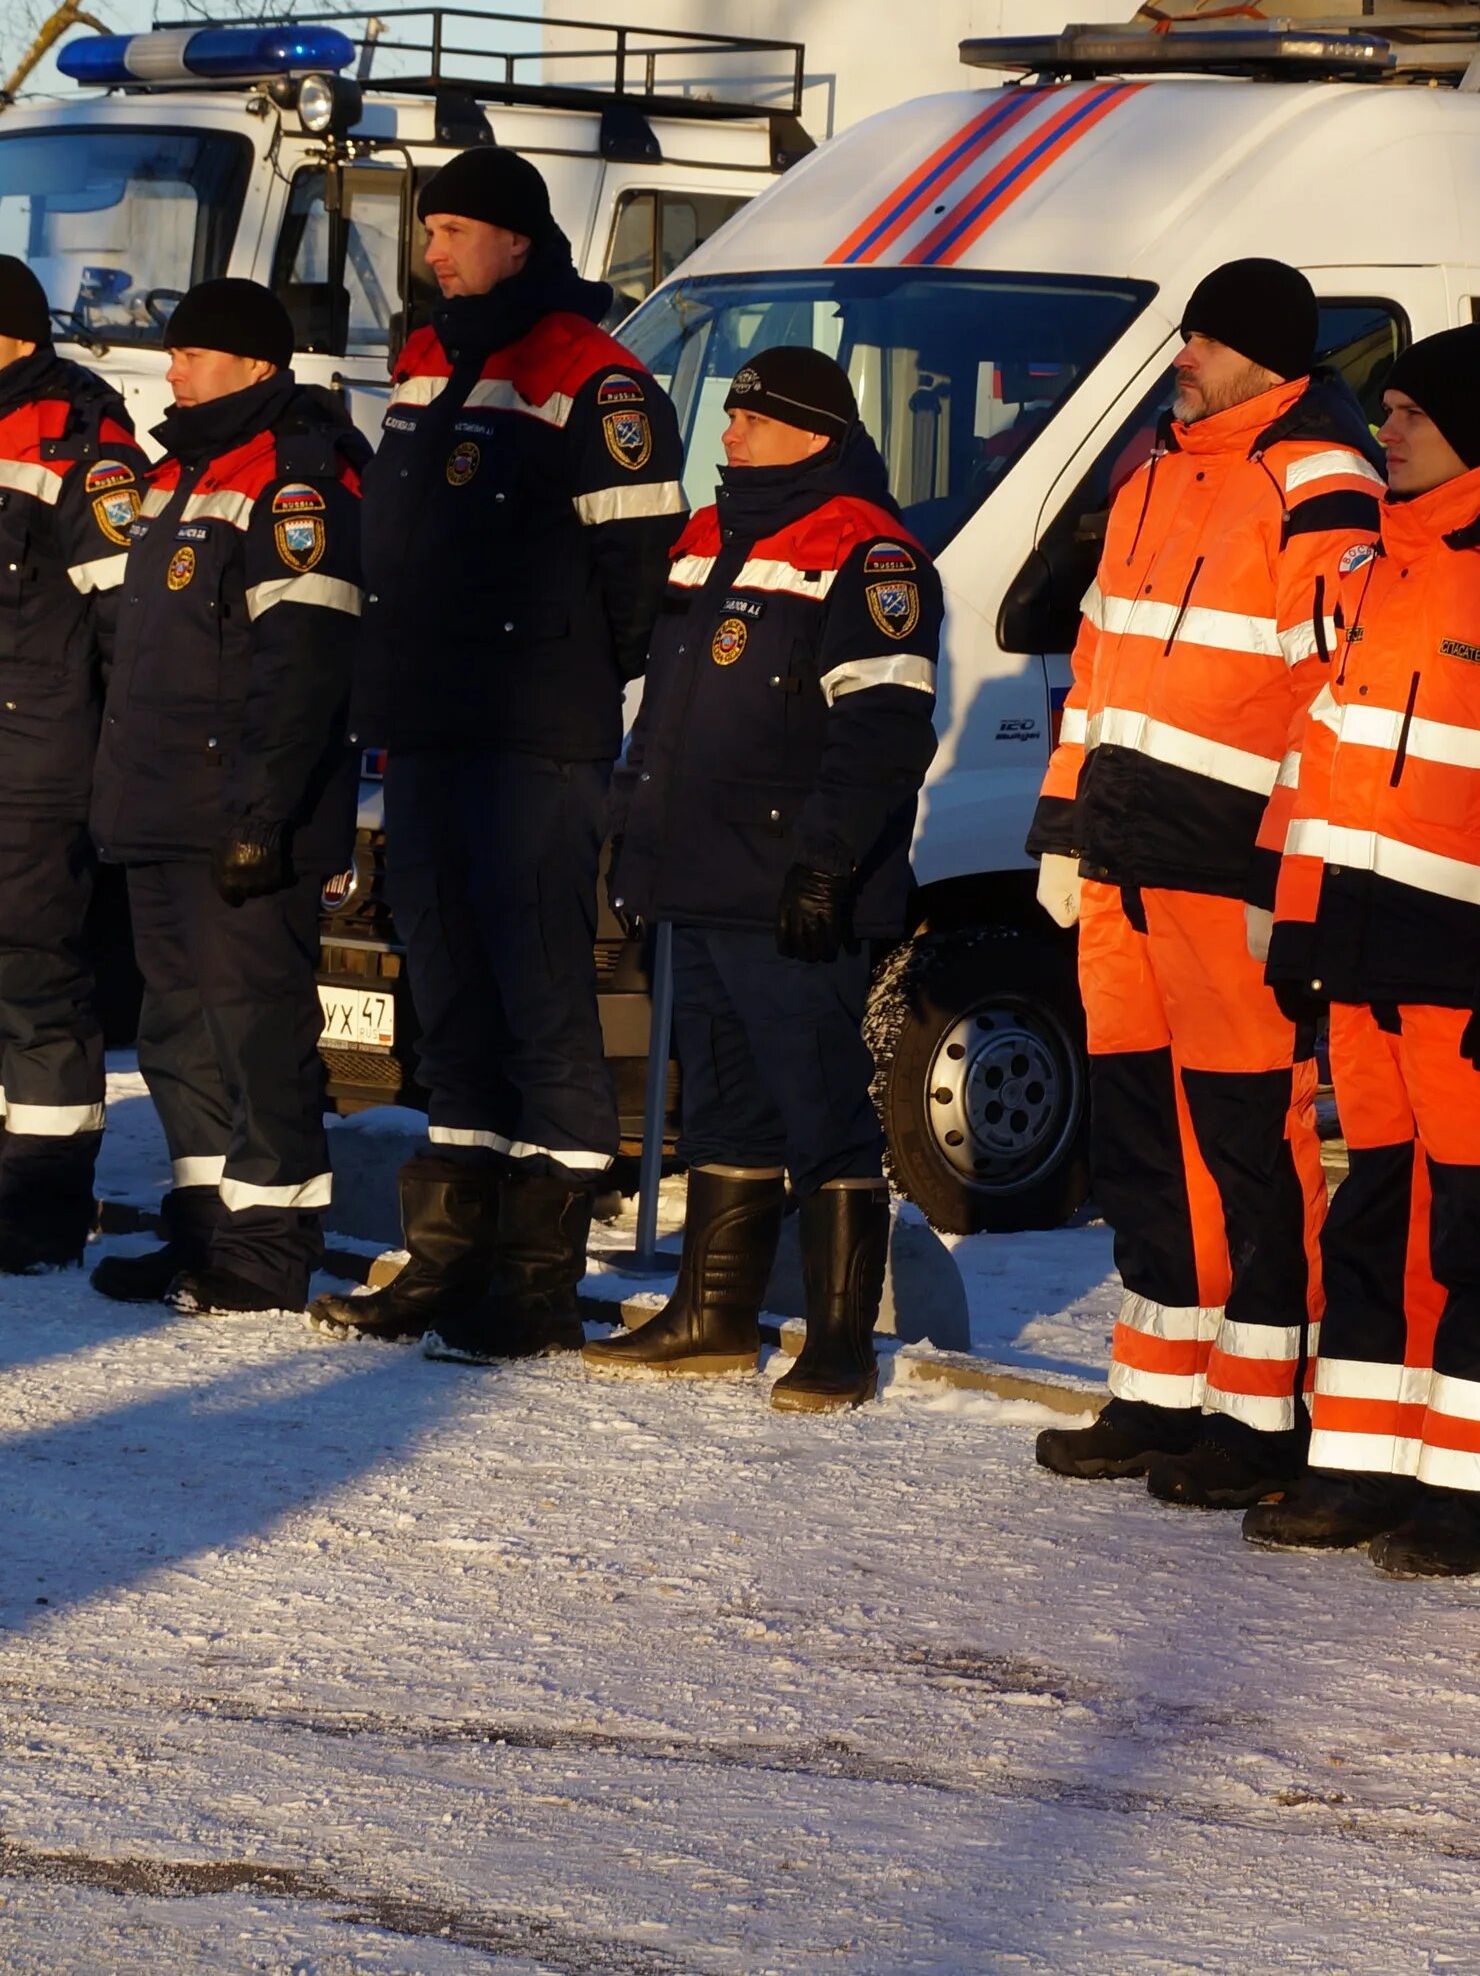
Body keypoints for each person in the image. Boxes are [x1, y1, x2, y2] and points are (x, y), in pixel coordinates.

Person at [314, 147, 686, 1360]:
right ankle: (448, 1258)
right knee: (451, 995)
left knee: (540, 1000)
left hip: (533, 744)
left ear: (518, 239)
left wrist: (563, 672)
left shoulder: (599, 376)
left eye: (452, 231)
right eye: (431, 233)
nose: (431, 253)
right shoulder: (426, 356)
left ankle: (534, 1281)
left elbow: (641, 581)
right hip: (424, 731)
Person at [1253, 325, 1480, 1575]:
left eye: (1405, 413)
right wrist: (1298, 918)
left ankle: (1474, 1489)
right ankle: (1359, 1464)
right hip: (1363, 950)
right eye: (1384, 409)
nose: (1382, 431)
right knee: (1373, 1220)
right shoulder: (1374, 563)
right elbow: (1322, 759)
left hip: (1471, 966)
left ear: (1470, 426)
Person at [1027, 259, 1377, 1503]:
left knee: (1244, 1142)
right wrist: (1064, 825)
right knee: (1142, 1138)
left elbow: (1331, 699)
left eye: (1205, 338)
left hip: (1225, 863)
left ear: (1265, 356)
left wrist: (1281, 865)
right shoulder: (1156, 471)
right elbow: (1099, 660)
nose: (1184, 353)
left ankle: (1257, 1413)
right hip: (1126, 857)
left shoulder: (1319, 478)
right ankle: (1160, 1391)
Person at [580, 347, 938, 1410]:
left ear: (812, 431)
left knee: (822, 1105)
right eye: (728, 414)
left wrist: (824, 867)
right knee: (726, 1110)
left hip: (791, 892)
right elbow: (664, 711)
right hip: (697, 878)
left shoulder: (870, 552)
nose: (726, 434)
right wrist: (631, 844)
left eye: (749, 418)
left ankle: (839, 1341)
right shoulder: (709, 536)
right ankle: (713, 1317)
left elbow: (881, 728)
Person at [85, 279, 363, 1314]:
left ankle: (269, 1246)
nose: (172, 370)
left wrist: (261, 818)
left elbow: (302, 666)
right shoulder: (177, 474)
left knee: (256, 1029)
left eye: (192, 354)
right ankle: (203, 1226)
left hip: (237, 818)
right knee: (178, 1029)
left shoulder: (295, 483)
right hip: (160, 810)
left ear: (254, 365)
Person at [0, 257, 144, 1278]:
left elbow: (120, 615)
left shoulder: (80, 432)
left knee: (36, 981)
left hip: (39, 754)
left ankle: (41, 1205)